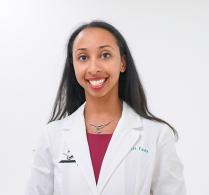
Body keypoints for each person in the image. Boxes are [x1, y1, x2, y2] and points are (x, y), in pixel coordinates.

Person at [25, 20, 186, 195]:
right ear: (74, 67)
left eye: (105, 55)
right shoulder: (52, 137)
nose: (93, 68)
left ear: (122, 63)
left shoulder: (157, 135)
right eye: (83, 57)